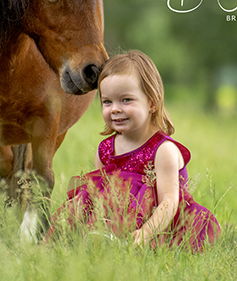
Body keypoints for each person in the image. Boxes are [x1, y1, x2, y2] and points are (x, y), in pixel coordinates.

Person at [45, 50, 220, 251]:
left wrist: (146, 232)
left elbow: (169, 202)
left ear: (152, 102)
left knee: (132, 192)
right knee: (87, 196)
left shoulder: (164, 150)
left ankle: (121, 240)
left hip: (157, 221)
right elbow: (100, 196)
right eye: (107, 102)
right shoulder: (106, 149)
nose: (115, 109)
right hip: (118, 216)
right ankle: (86, 238)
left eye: (126, 100)